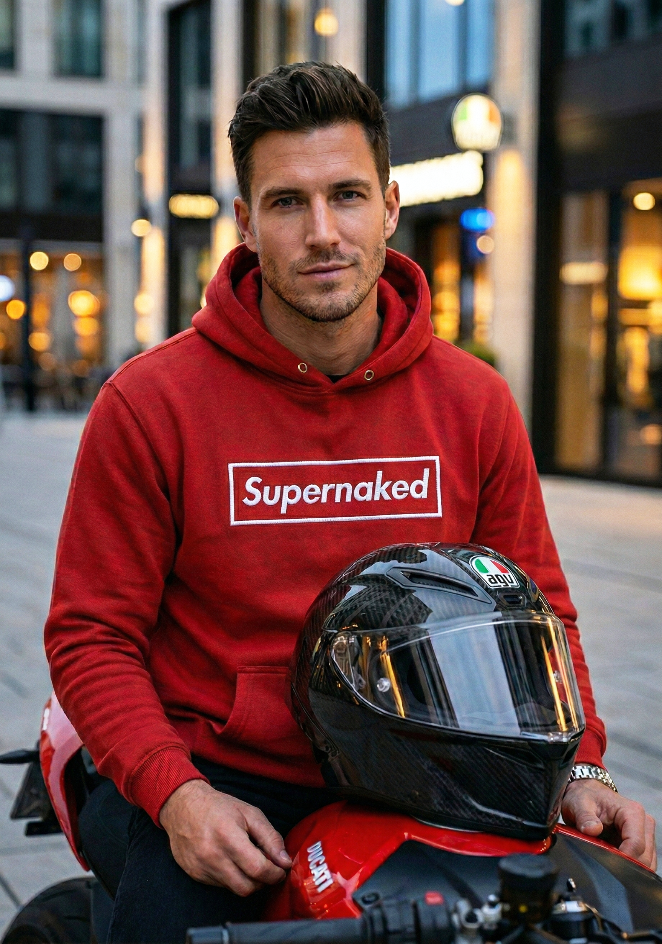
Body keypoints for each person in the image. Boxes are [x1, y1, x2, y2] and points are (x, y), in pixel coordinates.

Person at [44, 62, 656, 944]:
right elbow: (90, 634)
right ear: (247, 223)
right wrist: (179, 796)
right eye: (288, 203)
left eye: (347, 195)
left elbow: (543, 613)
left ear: (391, 207)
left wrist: (580, 767)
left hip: (439, 765)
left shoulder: (473, 399)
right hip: (223, 770)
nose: (323, 232)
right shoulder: (150, 404)